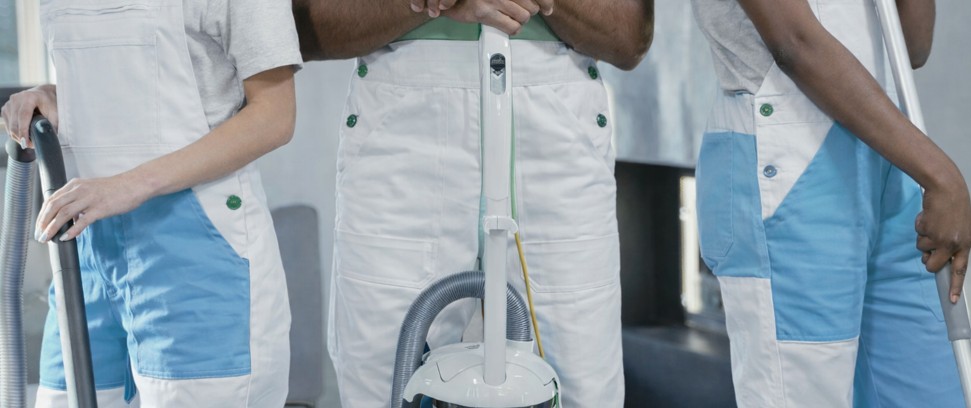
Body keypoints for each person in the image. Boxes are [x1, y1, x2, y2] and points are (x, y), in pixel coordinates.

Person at [292, 0, 653, 406]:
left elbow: (630, 39)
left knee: (582, 381)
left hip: (557, 126)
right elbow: (305, 28)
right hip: (403, 123)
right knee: (380, 374)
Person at [0, 0, 302, 406]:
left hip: (195, 254)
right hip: (86, 250)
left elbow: (274, 117)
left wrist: (130, 185)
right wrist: (55, 96)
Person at [690, 0, 971, 406]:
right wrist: (942, 176)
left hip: (888, 158)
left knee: (930, 392)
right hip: (789, 162)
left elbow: (912, 45)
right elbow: (794, 42)